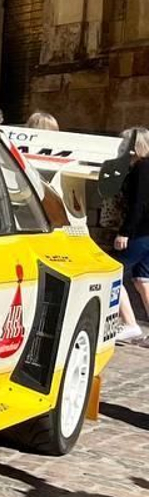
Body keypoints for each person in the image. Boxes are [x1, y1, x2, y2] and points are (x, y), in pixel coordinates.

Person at [111, 126, 149, 343]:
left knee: (113, 274)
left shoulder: (141, 169)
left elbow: (138, 204)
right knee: (142, 280)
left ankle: (129, 323)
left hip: (139, 232)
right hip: (147, 233)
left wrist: (125, 232)